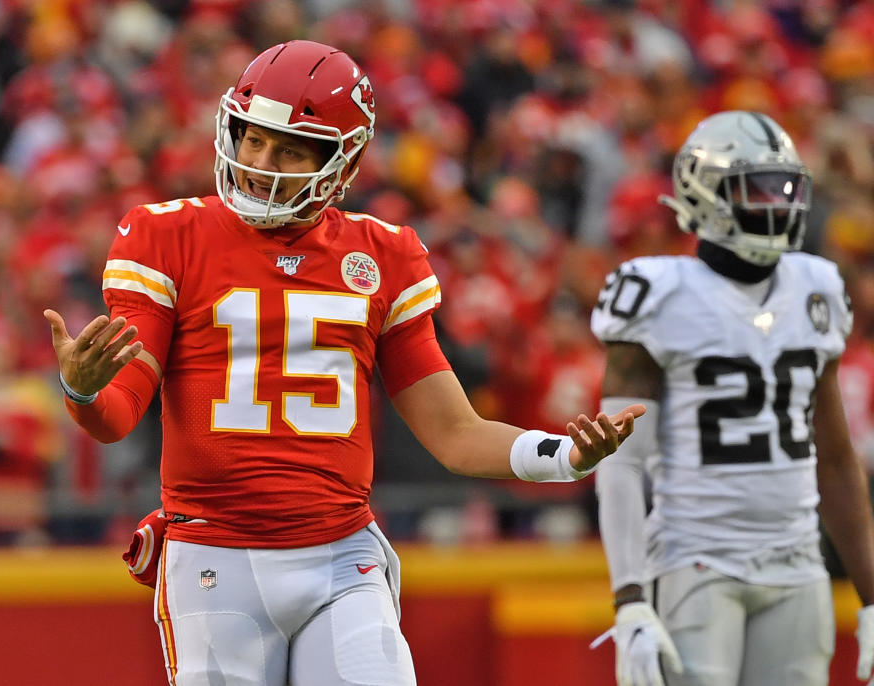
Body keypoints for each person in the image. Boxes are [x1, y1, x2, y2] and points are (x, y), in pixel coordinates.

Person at [43, 40, 643, 686]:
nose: (260, 163)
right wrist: (82, 394)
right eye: (252, 139)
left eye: (290, 149)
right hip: (216, 559)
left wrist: (562, 457)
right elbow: (117, 416)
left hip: (340, 555)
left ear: (341, 160)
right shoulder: (166, 236)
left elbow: (457, 435)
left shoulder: (382, 254)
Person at [591, 110, 874, 686]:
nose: (778, 205)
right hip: (696, 561)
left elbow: (837, 459)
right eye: (759, 190)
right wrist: (630, 600)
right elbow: (621, 464)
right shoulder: (657, 291)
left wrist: (872, 598)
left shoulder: (816, 285)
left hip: (798, 563)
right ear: (705, 192)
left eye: (786, 188)